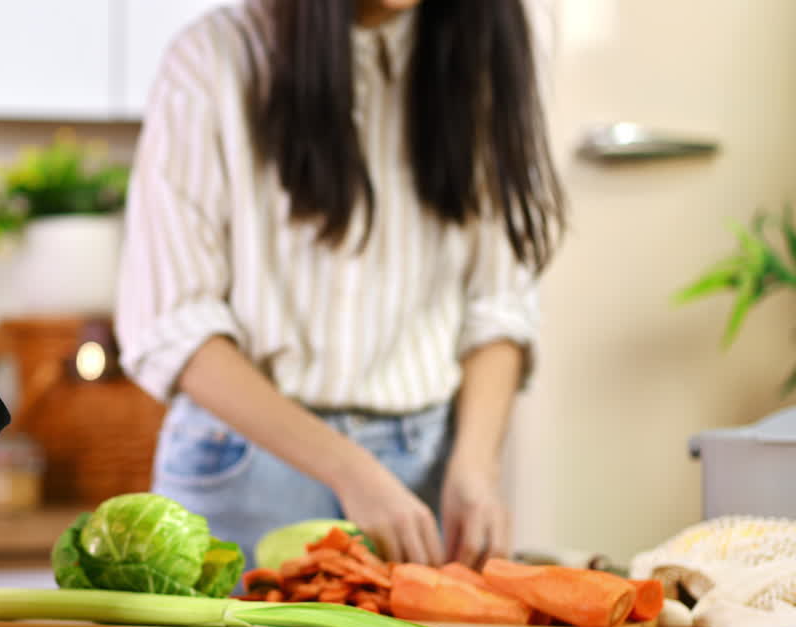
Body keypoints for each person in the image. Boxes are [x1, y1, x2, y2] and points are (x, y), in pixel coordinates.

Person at [115, 0, 562, 569]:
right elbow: (172, 324)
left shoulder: (491, 49)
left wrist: (476, 469)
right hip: (243, 470)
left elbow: (500, 301)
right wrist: (352, 470)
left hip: (424, 471)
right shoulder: (213, 58)